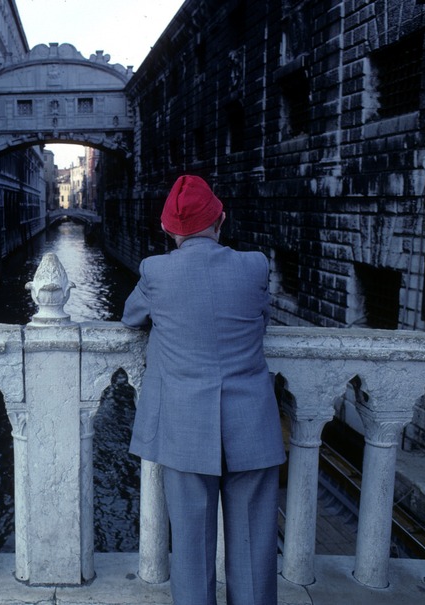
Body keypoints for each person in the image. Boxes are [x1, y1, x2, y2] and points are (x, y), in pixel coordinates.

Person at [122, 175, 285, 605]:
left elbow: (130, 317)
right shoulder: (255, 265)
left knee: (191, 555)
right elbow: (261, 318)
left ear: (169, 231)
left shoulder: (155, 271)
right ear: (221, 220)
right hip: (252, 425)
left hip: (185, 431)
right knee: (253, 553)